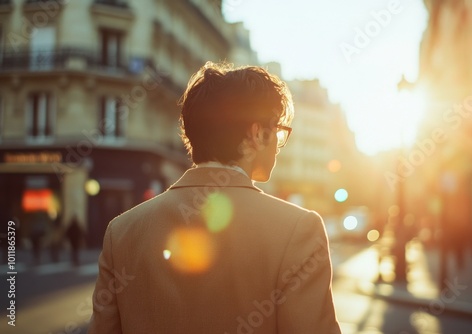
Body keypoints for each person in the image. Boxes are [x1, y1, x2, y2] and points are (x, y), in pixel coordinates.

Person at [88, 62, 342, 334]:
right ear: (257, 133)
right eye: (279, 131)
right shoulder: (299, 229)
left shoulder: (122, 231)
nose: (279, 145)